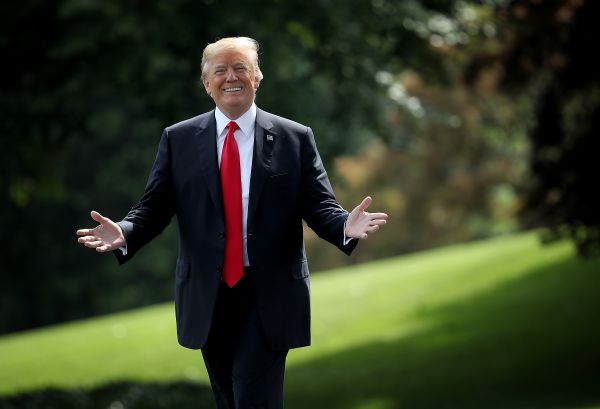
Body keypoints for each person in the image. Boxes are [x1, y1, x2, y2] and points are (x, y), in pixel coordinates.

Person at [76, 36, 388, 409]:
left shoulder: (294, 137)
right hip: (208, 296)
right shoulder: (179, 139)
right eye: (220, 70)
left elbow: (320, 206)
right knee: (229, 399)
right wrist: (125, 231)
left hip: (268, 293)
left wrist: (343, 227)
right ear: (206, 83)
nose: (231, 77)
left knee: (254, 397)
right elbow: (154, 207)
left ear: (257, 76)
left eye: (241, 67)